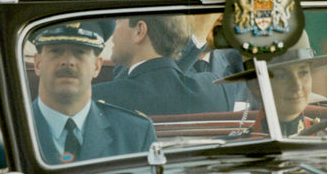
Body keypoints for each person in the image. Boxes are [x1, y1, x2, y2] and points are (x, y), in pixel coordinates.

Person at [31, 21, 156, 164]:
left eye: (80, 52)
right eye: (56, 51)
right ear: (37, 64)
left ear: (97, 66)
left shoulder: (135, 133)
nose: (68, 61)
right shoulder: (5, 133)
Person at [93, 11, 235, 116]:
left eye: (118, 22)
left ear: (140, 31)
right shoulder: (216, 89)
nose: (113, 33)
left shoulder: (98, 98)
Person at [220, 30, 327, 136]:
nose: (297, 86)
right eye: (282, 75)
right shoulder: (236, 152)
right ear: (255, 86)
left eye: (303, 73)